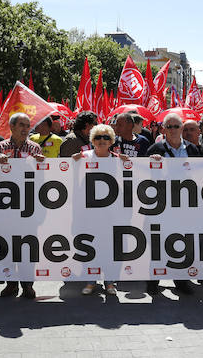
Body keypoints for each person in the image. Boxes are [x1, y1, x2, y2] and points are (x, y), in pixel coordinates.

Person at [145, 113, 203, 296]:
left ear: (182, 129)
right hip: (161, 205)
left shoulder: (194, 149)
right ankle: (153, 280)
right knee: (158, 242)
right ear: (163, 129)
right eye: (168, 127)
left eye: (176, 126)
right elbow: (141, 174)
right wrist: (149, 163)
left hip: (186, 205)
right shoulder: (155, 149)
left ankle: (181, 280)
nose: (172, 130)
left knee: (182, 243)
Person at [0, 113, 45, 299]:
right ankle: (11, 283)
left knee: (27, 247)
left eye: (28, 125)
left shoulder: (35, 149)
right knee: (6, 246)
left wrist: (41, 165)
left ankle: (27, 284)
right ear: (12, 127)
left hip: (27, 208)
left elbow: (42, 181)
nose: (25, 129)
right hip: (5, 208)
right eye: (21, 125)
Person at [72, 124, 129, 296]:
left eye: (106, 138)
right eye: (98, 137)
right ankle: (91, 281)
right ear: (92, 140)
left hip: (110, 213)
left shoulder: (118, 159)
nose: (102, 141)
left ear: (111, 141)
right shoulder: (83, 157)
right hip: (88, 213)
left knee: (109, 247)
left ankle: (110, 282)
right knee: (89, 245)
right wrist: (72, 161)